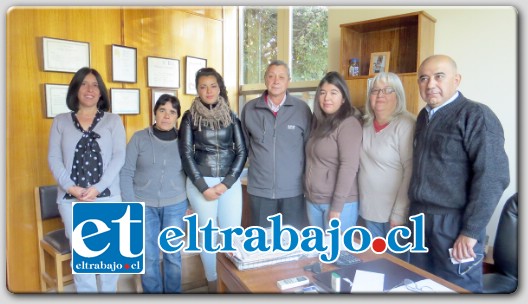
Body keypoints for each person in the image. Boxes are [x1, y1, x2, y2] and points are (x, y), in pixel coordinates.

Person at [408, 55, 510, 292]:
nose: (430, 84)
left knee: (457, 288)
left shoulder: (476, 115)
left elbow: (493, 176)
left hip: (454, 223)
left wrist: (471, 231)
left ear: (456, 80)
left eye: (438, 76)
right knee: (420, 285)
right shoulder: (424, 117)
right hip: (420, 220)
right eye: (424, 78)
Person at [47, 67, 126, 293]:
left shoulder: (113, 120)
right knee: (83, 260)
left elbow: (119, 155)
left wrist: (98, 188)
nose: (89, 89)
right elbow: (53, 157)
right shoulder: (61, 121)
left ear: (101, 92)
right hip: (72, 201)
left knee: (110, 260)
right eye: (84, 84)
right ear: (75, 89)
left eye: (95, 85)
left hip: (108, 197)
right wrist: (71, 187)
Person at [179, 67, 247, 293]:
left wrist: (226, 183)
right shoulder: (190, 117)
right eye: (203, 86)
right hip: (201, 182)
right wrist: (203, 187)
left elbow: (242, 151)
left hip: (229, 182)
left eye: (213, 86)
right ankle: (212, 286)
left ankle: (231, 285)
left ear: (220, 88)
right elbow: (186, 154)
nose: (208, 91)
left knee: (231, 236)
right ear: (197, 90)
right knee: (208, 238)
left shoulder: (231, 114)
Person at [120, 94, 188, 293]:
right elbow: (126, 172)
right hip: (143, 205)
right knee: (148, 255)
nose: (167, 116)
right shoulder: (139, 138)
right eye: (162, 110)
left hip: (176, 205)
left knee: (172, 254)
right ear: (155, 112)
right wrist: (131, 204)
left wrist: (190, 204)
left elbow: (192, 172)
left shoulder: (185, 141)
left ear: (177, 116)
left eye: (172, 112)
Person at [240, 60, 312, 229]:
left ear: (289, 81)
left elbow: (309, 148)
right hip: (260, 190)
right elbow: (244, 145)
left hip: (293, 191)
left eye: (281, 77)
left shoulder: (302, 109)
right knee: (260, 244)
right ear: (265, 79)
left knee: (290, 245)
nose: (276, 81)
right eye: (271, 76)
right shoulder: (250, 109)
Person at [358, 72, 415, 243]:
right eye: (375, 91)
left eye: (387, 90)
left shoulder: (407, 124)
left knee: (394, 266)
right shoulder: (365, 124)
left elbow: (410, 172)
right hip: (368, 211)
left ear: (398, 95)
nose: (380, 95)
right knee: (374, 263)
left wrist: (398, 213)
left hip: (393, 217)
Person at [304, 71, 362, 231]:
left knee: (338, 255)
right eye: (322, 93)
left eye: (333, 93)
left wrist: (336, 207)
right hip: (313, 200)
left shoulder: (349, 124)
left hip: (338, 204)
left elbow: (349, 167)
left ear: (343, 98)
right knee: (317, 253)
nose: (326, 98)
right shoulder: (319, 123)